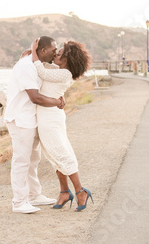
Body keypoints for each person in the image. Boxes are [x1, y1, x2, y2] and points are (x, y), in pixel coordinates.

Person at [30, 38, 93, 212]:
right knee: (54, 156)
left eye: (59, 53)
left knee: (61, 153)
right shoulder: (59, 71)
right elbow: (43, 70)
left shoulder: (64, 73)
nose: (56, 54)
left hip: (50, 119)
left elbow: (41, 71)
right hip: (48, 116)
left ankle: (80, 191)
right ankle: (65, 192)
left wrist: (33, 49)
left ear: (66, 59)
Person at [4, 36, 64, 214]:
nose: (55, 54)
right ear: (43, 50)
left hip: (31, 118)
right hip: (21, 119)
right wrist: (56, 102)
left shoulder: (34, 64)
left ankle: (33, 195)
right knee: (21, 160)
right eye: (53, 51)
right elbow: (35, 97)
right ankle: (19, 202)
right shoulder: (26, 66)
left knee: (33, 160)